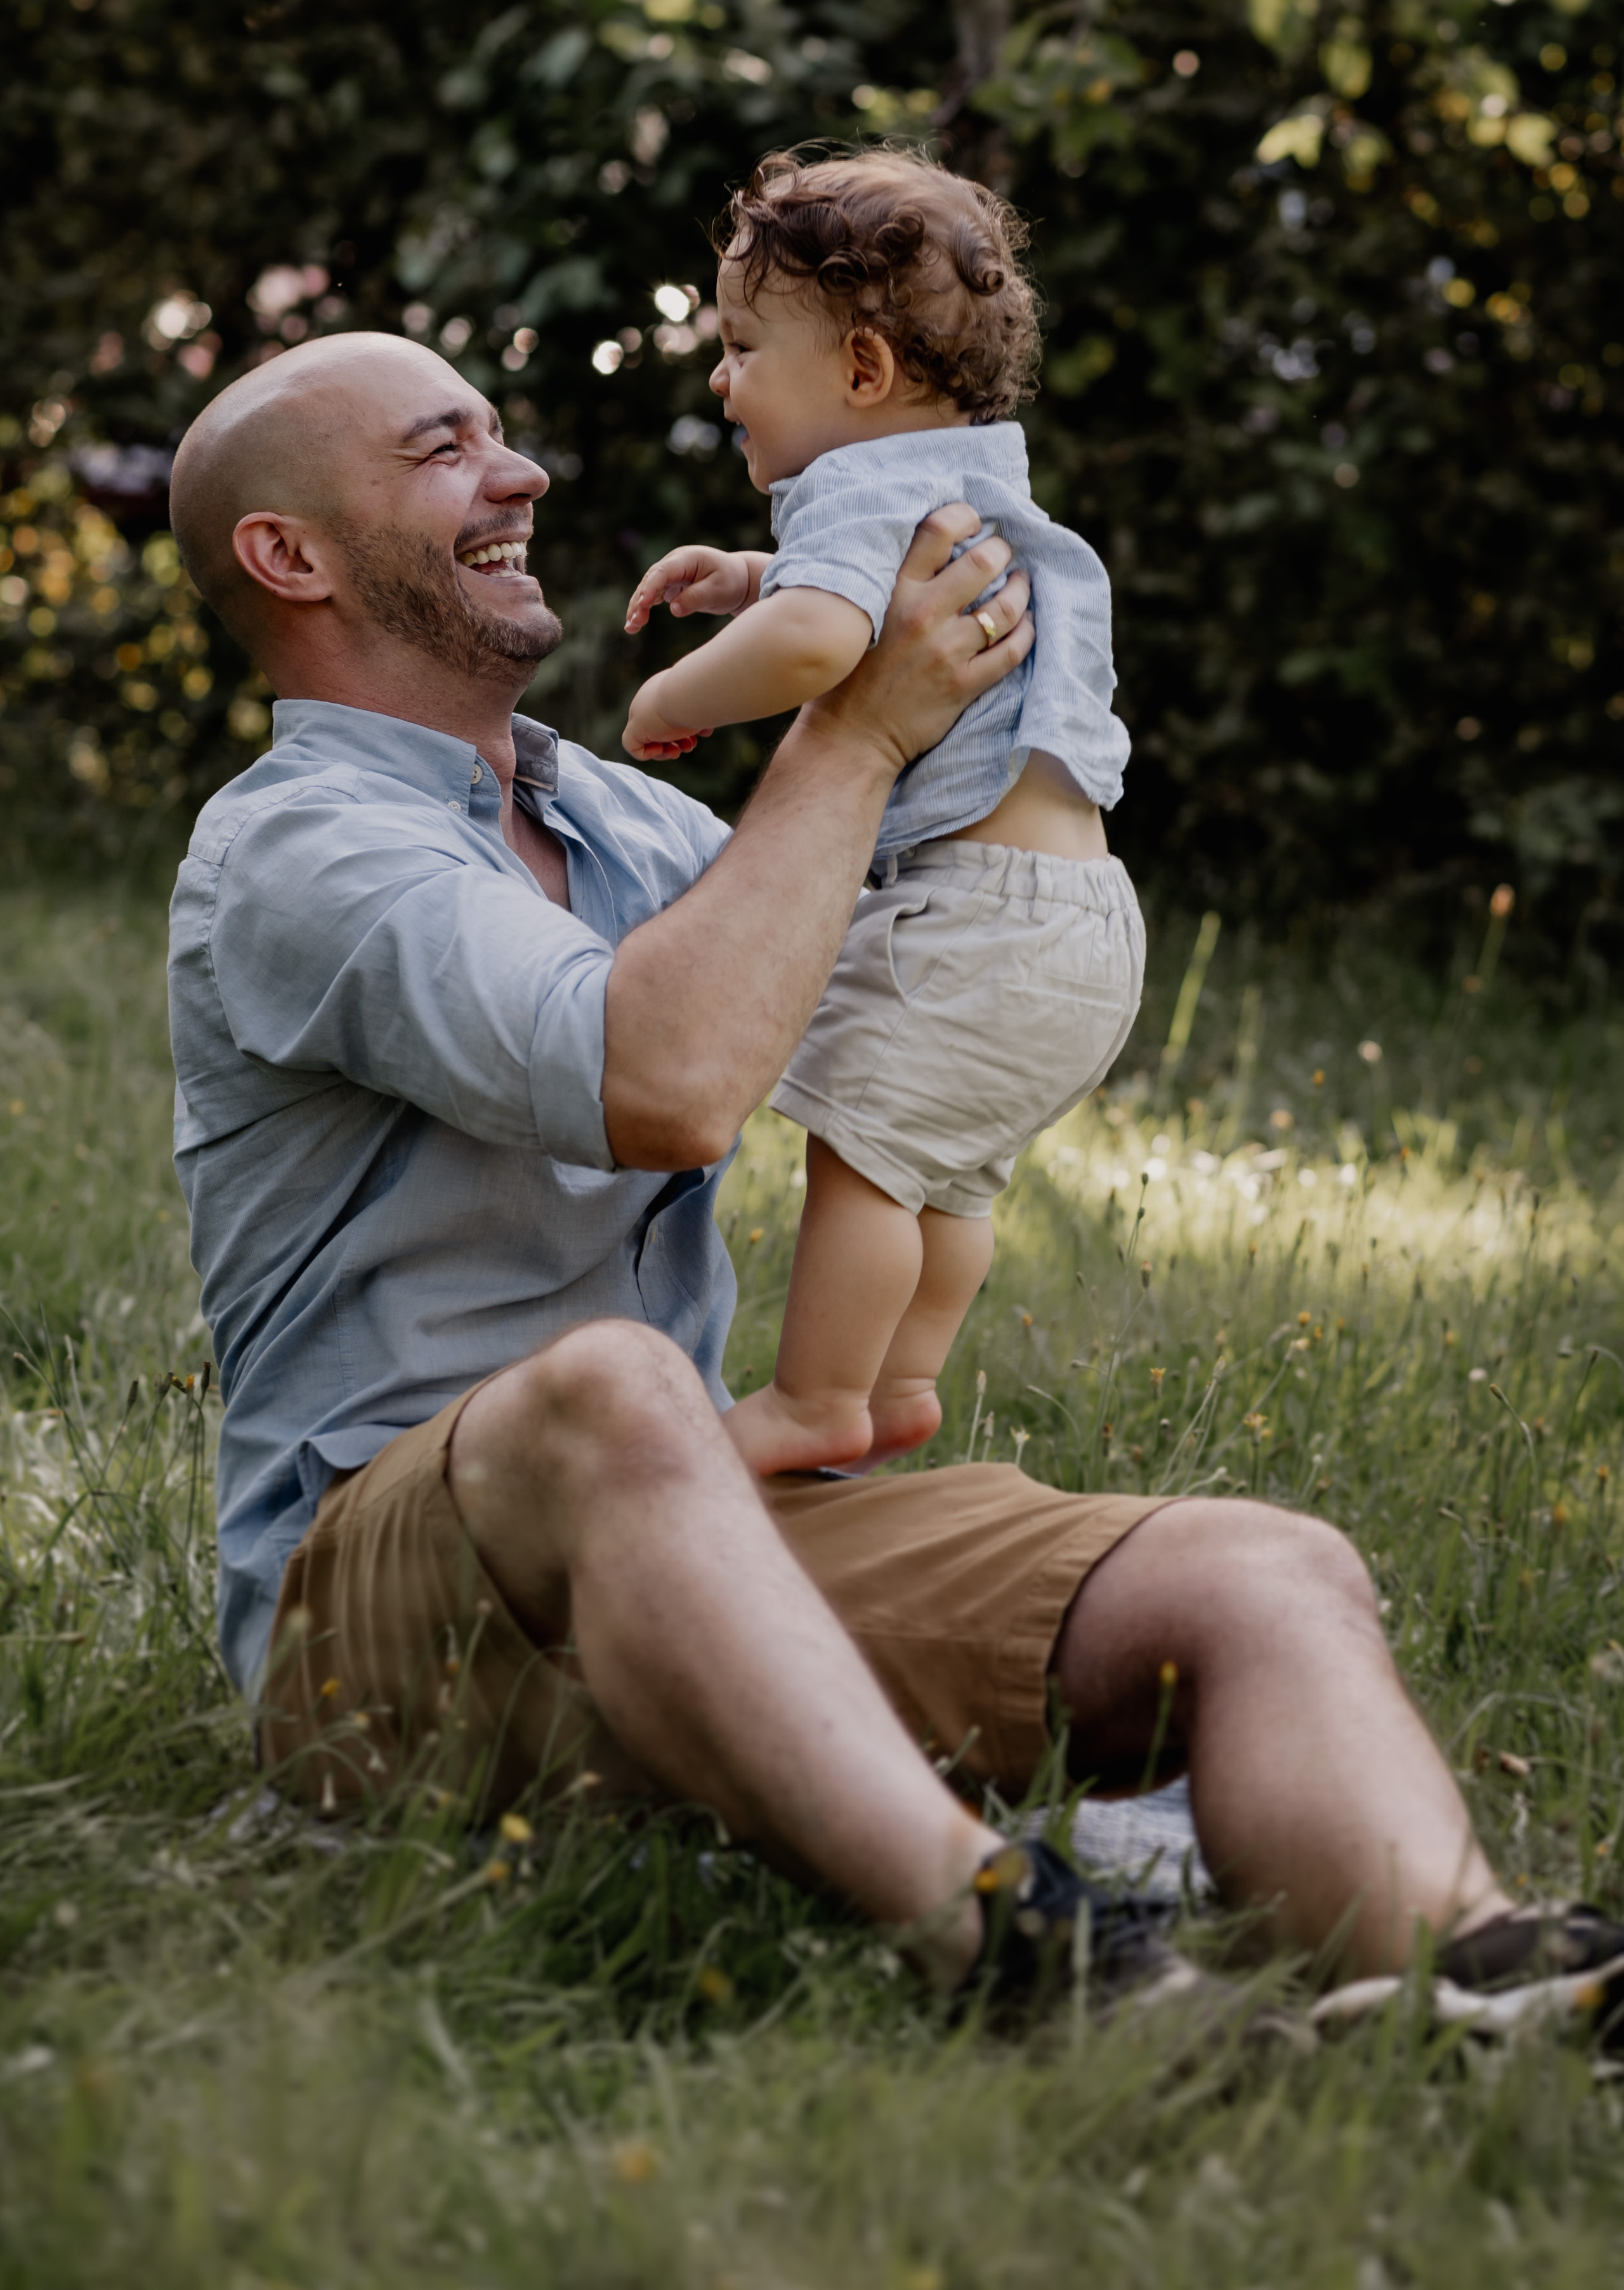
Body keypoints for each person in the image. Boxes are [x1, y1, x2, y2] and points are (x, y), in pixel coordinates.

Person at [164, 326, 1622, 2018]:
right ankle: (1029, 1955)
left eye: (500, 436)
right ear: (292, 554)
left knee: (1262, 1570)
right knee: (618, 1391)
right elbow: (671, 1080)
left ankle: (1478, 1977)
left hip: (690, 1552)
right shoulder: (295, 847)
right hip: (382, 1628)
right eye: (442, 451)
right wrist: (854, 734)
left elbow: (878, 982)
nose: (523, 474)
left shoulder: (631, 824)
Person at [622, 149, 1140, 1483]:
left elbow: (816, 642)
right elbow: (822, 594)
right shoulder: (966, 473)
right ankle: (903, 1379)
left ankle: (816, 1398)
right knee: (944, 1169)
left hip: (972, 911)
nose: (722, 378)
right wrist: (750, 576)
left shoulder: (860, 488)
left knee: (858, 1153)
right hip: (1083, 918)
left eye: (740, 347)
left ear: (860, 372)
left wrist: (670, 695)